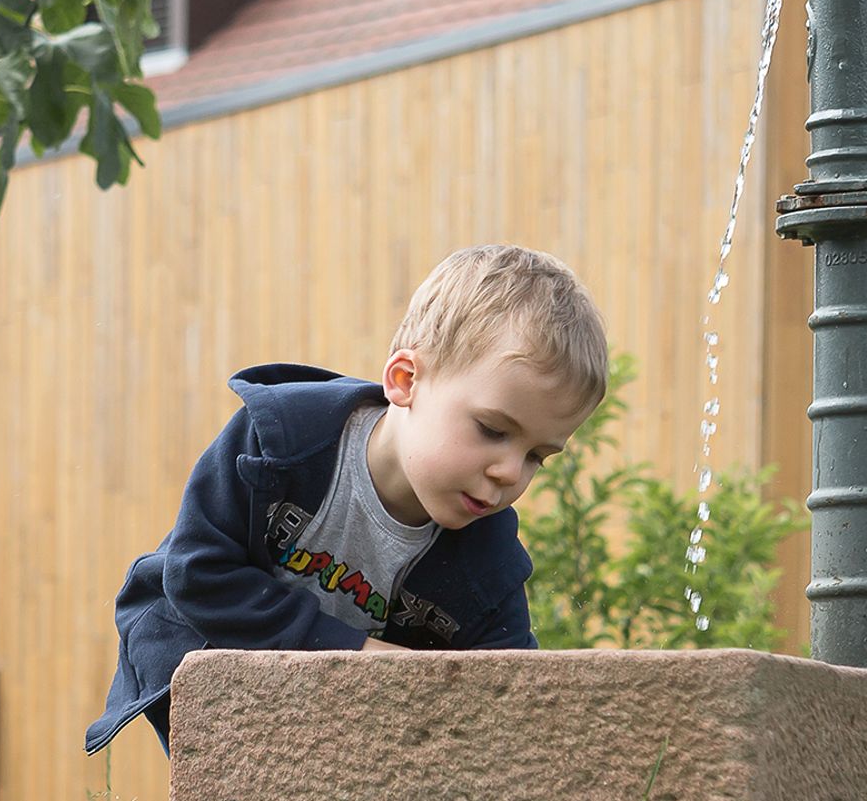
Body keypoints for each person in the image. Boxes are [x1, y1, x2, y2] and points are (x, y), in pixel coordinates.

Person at [86, 243, 608, 754]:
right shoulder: (282, 444)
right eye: (493, 429)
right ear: (405, 380)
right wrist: (359, 655)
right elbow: (196, 575)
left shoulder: (486, 558)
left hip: (338, 718)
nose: (510, 472)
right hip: (202, 652)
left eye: (538, 455)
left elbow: (506, 688)